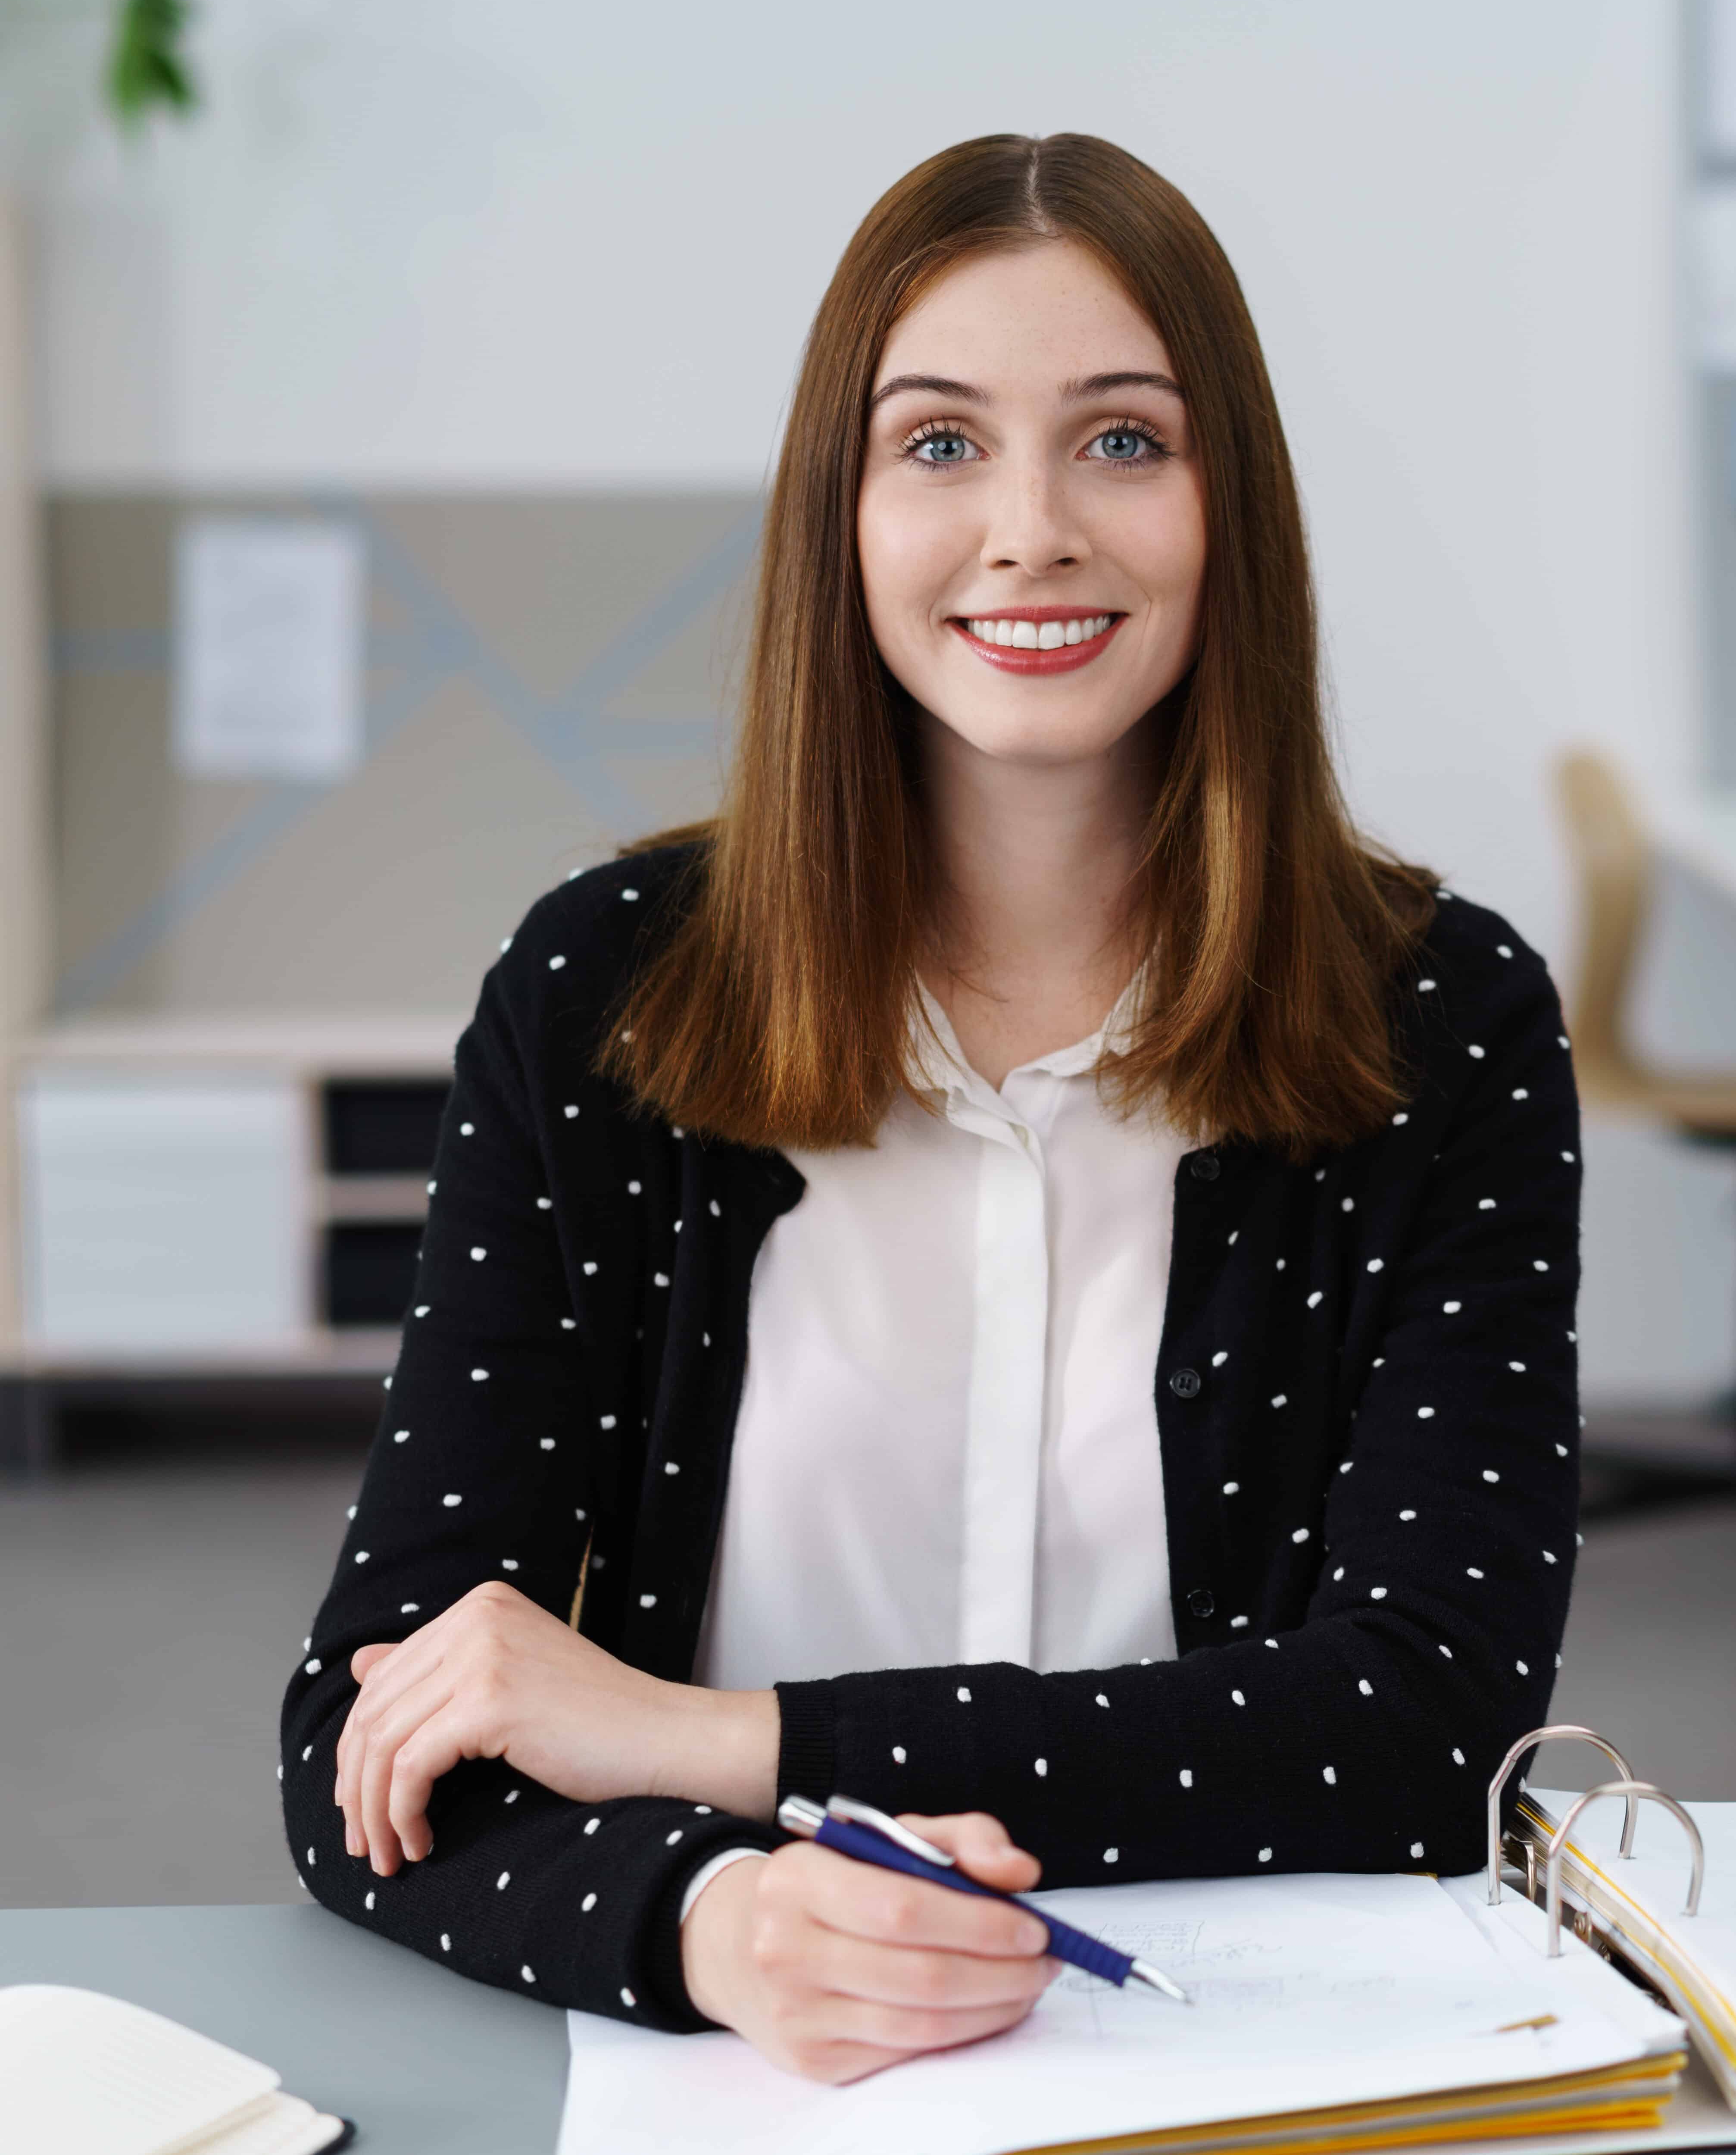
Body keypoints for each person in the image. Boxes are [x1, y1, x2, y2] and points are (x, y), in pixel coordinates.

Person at [281, 132, 1581, 2085]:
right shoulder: (602, 999)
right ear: (845, 512)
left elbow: (1426, 1727)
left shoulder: (1438, 1017)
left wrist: (723, 1743)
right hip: (746, 2074)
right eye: (943, 444)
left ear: (1235, 504)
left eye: (1125, 441)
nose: (1034, 528)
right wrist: (707, 1916)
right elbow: (369, 1742)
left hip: (1252, 2063)